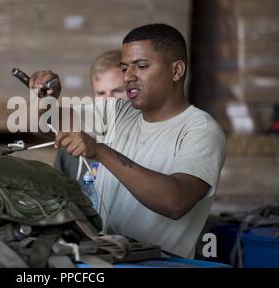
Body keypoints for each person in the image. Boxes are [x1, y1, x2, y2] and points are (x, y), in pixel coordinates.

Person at [28, 23, 226, 258]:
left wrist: (100, 151)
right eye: (124, 68)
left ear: (176, 71)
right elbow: (43, 125)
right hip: (105, 260)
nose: (129, 76)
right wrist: (44, 98)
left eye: (141, 66)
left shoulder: (200, 130)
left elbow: (175, 202)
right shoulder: (117, 112)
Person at [53, 50, 128, 180]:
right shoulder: (76, 139)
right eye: (101, 93)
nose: (108, 100)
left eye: (117, 91)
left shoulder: (151, 137)